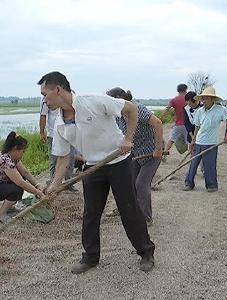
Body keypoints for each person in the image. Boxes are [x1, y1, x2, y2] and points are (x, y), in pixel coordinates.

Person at [38, 71, 155, 274]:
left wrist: (128, 139)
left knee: (129, 209)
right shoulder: (59, 124)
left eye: (45, 94)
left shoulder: (94, 101)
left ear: (58, 90)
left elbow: (131, 109)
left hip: (118, 160)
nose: (44, 100)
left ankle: (146, 252)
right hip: (93, 166)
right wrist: (54, 185)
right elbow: (63, 159)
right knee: (90, 213)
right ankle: (90, 257)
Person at [106, 87, 163, 226]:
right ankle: (126, 209)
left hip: (151, 153)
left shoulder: (138, 109)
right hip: (135, 154)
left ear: (120, 101)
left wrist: (158, 148)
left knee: (141, 183)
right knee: (128, 183)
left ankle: (145, 217)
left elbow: (158, 123)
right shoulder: (118, 114)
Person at [0, 131, 46, 223]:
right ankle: (1, 214)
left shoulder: (10, 156)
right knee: (18, 189)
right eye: (23, 151)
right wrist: (39, 193)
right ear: (15, 149)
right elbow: (20, 183)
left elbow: (25, 172)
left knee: (20, 177)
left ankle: (10, 205)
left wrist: (37, 185)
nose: (23, 154)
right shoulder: (5, 160)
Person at [183, 87, 227, 192]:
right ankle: (189, 183)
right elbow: (197, 126)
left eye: (207, 98)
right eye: (203, 98)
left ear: (212, 99)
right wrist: (193, 141)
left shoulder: (221, 110)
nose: (204, 100)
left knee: (209, 165)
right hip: (199, 142)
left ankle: (211, 185)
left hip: (211, 143)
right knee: (193, 164)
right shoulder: (200, 111)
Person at [39, 97, 78, 192]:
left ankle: (69, 183)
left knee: (71, 158)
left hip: (69, 132)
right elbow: (43, 115)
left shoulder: (72, 98)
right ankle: (54, 183)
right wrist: (41, 131)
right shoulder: (46, 99)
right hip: (52, 133)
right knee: (54, 159)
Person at [161, 83, 188, 154]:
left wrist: (161, 118)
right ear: (185, 90)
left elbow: (167, 109)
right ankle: (193, 156)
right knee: (190, 141)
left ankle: (165, 153)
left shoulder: (174, 100)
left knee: (171, 140)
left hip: (178, 124)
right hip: (188, 124)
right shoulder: (188, 99)